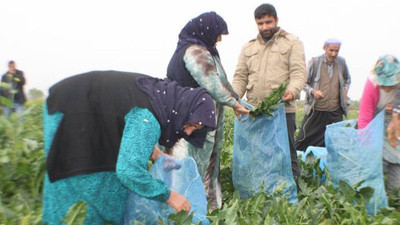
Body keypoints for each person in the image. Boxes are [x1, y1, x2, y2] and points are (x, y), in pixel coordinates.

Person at [42, 71, 217, 225]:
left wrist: (156, 154)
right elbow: (128, 172)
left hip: (87, 108)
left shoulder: (162, 98)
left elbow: (127, 117)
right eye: (191, 124)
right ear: (185, 109)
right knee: (76, 182)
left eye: (195, 129)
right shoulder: (148, 118)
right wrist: (170, 196)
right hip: (70, 109)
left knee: (108, 194)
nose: (187, 131)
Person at [166, 11, 249, 210]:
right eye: (218, 33)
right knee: (186, 167)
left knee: (207, 167)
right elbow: (211, 82)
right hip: (188, 121)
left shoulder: (208, 52)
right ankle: (183, 211)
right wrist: (234, 103)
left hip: (204, 120)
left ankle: (208, 209)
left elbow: (222, 82)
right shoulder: (193, 51)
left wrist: (238, 101)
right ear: (207, 30)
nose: (219, 39)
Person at [232, 3, 306, 179]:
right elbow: (240, 77)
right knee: (256, 154)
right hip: (255, 111)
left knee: (285, 153)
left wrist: (292, 91)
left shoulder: (292, 42)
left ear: (276, 20)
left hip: (282, 111)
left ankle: (292, 195)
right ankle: (260, 189)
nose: (264, 27)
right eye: (260, 23)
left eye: (268, 22)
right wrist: (233, 100)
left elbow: (299, 73)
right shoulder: (248, 48)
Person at [295, 38, 351, 151]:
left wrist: (345, 91)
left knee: (335, 143)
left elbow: (347, 80)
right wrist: (313, 92)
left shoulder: (341, 63)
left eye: (337, 51)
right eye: (331, 50)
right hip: (316, 110)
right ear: (324, 48)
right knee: (303, 140)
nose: (334, 53)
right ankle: (298, 164)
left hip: (335, 111)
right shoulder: (314, 62)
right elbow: (303, 83)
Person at [358, 55, 400, 196]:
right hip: (376, 121)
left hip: (397, 122)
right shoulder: (372, 82)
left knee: (397, 158)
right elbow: (365, 115)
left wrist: (395, 110)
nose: (387, 87)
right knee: (375, 158)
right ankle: (375, 194)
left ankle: (394, 196)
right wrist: (365, 142)